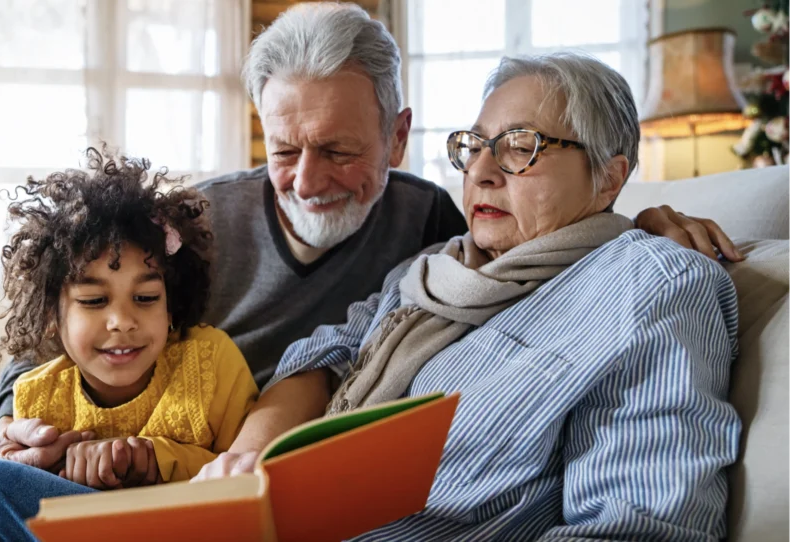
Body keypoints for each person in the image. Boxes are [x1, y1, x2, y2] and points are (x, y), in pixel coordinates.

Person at [0, 3, 743, 540]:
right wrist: (25, 410)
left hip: (251, 477)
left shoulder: (438, 231)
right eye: (285, 149)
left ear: (397, 141)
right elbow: (84, 319)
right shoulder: (205, 224)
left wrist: (638, 223)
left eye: (339, 150)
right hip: (137, 418)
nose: (308, 179)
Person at [195, 53, 741, 540]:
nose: (480, 172)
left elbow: (637, 524)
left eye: (520, 148)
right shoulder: (435, 265)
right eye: (474, 146)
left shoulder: (648, 287)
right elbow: (326, 355)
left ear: (608, 178)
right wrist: (239, 476)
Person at [0, 151, 257, 489]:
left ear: (171, 304)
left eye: (146, 298)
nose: (121, 321)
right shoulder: (38, 400)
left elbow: (247, 471)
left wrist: (157, 459)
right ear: (51, 316)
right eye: (94, 301)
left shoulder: (212, 364)